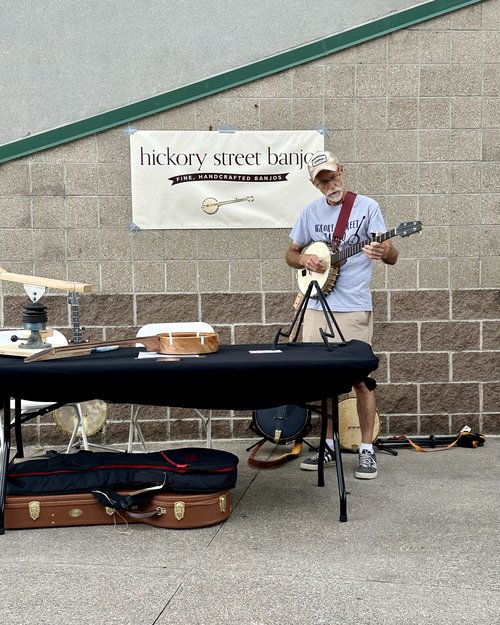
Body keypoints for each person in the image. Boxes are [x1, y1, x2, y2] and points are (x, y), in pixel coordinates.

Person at [285, 150, 398, 479]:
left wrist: (384, 249)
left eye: (333, 176)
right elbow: (290, 253)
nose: (330, 184)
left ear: (342, 171)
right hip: (317, 307)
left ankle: (365, 449)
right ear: (314, 183)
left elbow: (391, 255)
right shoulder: (309, 212)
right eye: (323, 181)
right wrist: (305, 260)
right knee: (324, 384)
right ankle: (330, 444)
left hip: (352, 307)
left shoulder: (366, 208)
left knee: (359, 381)